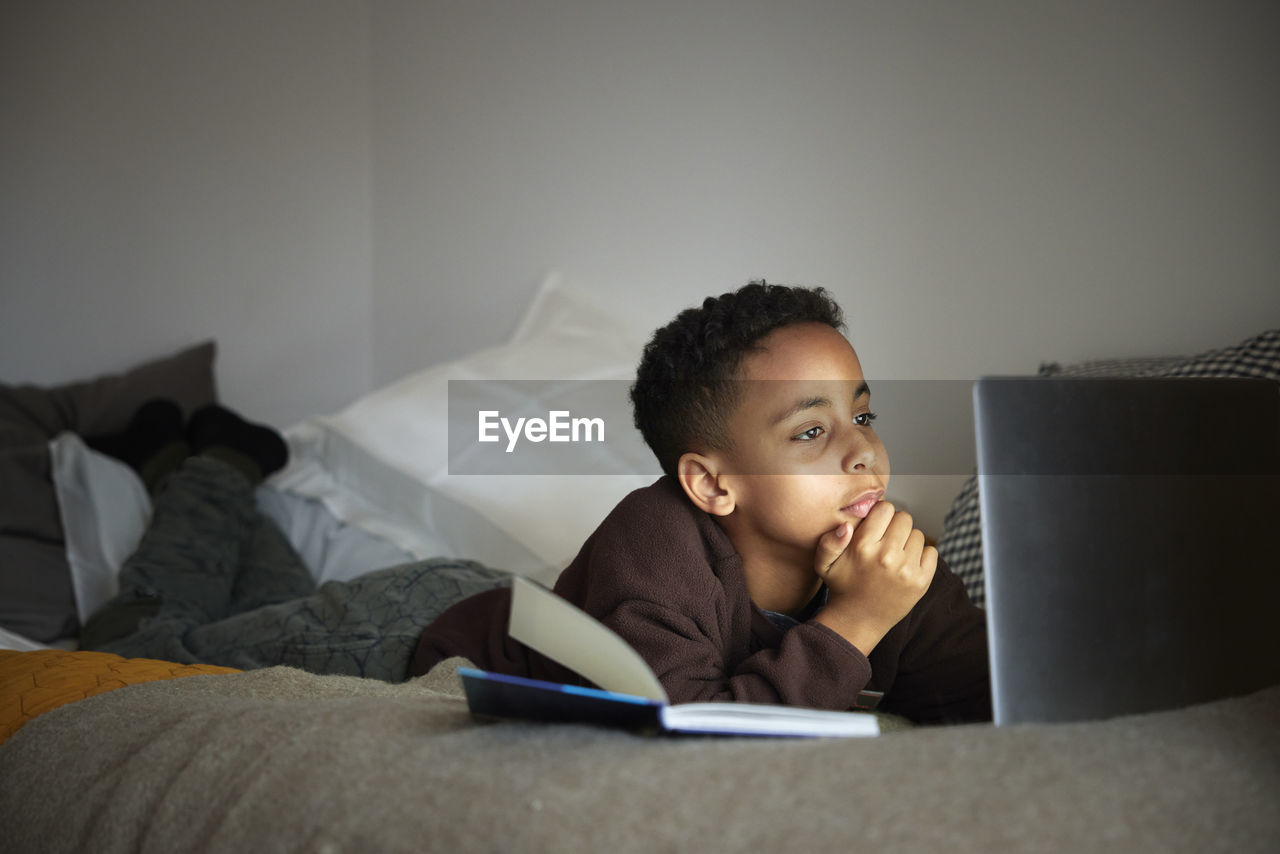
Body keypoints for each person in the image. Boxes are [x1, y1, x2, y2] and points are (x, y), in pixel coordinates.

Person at [413, 283, 991, 723]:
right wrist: (857, 619)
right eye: (811, 432)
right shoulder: (652, 542)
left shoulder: (890, 567)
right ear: (713, 485)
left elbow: (996, 693)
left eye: (862, 416)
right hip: (475, 638)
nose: (863, 449)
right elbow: (696, 736)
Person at [78, 401, 510, 681]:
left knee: (259, 623)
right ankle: (222, 461)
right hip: (456, 643)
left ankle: (190, 463)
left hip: (487, 610)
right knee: (122, 662)